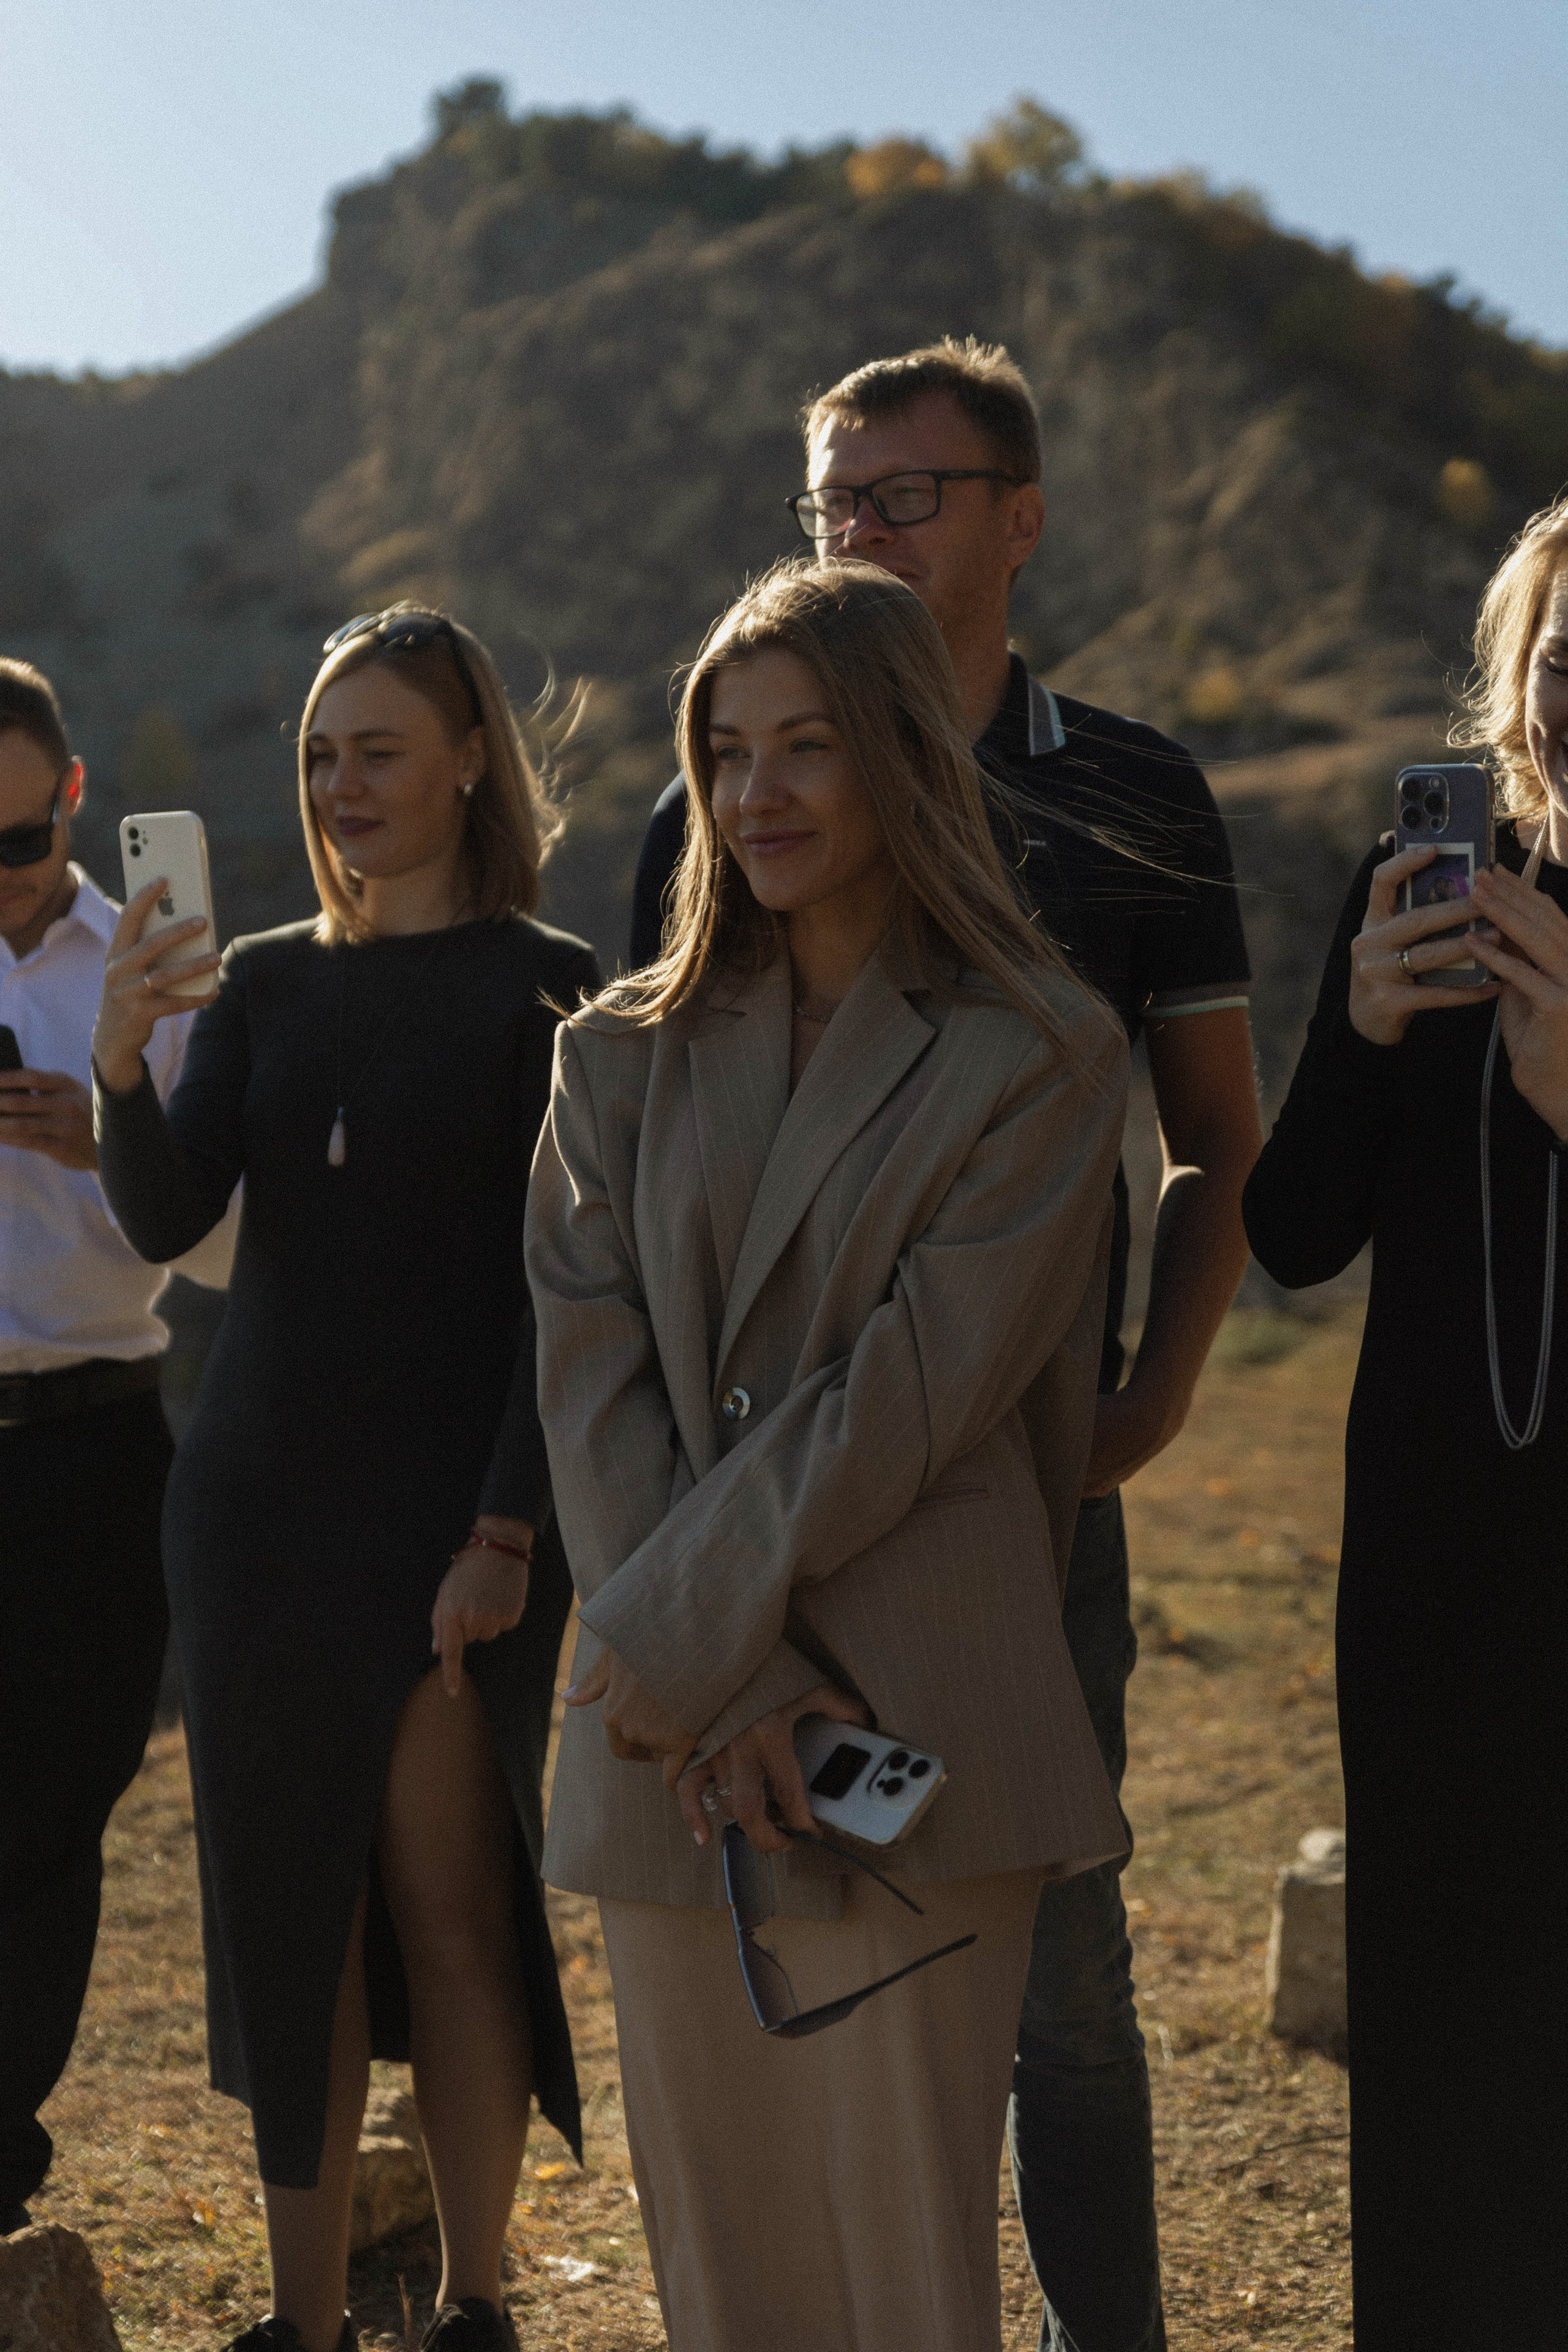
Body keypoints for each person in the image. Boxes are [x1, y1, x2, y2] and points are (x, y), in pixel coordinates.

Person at [628, 339, 1259, 2352]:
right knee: (813, 1935)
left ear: (1021, 517)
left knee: (1062, 1973)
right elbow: (657, 1181)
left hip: (1008, 1482)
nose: (866, 532)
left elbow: (1215, 1137)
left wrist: (1146, 1399)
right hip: (752, 1512)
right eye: (833, 505)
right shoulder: (719, 796)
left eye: (906, 495)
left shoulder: (1138, 789)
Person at [526, 557, 1129, 2352]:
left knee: (902, 2274)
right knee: (726, 2274)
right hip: (675, 1739)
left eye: (809, 747)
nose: (758, 794)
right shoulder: (610, 1061)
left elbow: (912, 1395)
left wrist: (689, 1650)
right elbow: (592, 1382)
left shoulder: (1043, 1050)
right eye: (725, 751)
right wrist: (728, 1686)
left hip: (911, 1729)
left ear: (903, 755)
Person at [91, 608, 597, 2352]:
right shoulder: (265, 983)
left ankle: (475, 2301)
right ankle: (299, 2328)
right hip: (255, 1512)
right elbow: (167, 1220)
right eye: (321, 754)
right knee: (283, 1917)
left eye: (380, 748)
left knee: (452, 1903)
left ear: (471, 758)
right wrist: (117, 1071)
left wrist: (509, 1528)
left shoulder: (558, 985)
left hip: (459, 1521)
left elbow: (567, 1295)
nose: (343, 783)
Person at [1242, 501, 1568, 2346]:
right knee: (1441, 2017)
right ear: (1514, 684)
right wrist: (1362, 1031)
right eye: (1564, 653)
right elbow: (1293, 1235)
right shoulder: (1423, 886)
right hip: (1436, 1563)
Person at [0, 657, 231, 2237]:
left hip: (91, 1445)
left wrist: (114, 1132)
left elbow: (219, 1237)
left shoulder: (159, 961)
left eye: (14, 840)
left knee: (55, 1809)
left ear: (73, 798)